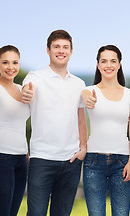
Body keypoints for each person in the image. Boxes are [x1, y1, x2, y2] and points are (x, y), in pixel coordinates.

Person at [21, 30, 87, 216]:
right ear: (48, 50)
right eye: (56, 47)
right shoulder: (35, 77)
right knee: (36, 213)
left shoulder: (79, 84)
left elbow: (81, 118)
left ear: (71, 51)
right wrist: (27, 92)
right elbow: (28, 89)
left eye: (65, 47)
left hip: (71, 161)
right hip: (42, 159)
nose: (61, 51)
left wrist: (83, 148)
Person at [82, 45, 130, 216]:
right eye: (104, 61)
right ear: (98, 65)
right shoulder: (89, 91)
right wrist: (86, 98)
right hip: (93, 161)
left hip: (122, 162)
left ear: (119, 64)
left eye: (113, 61)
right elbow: (84, 97)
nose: (109, 65)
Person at [0, 45, 30, 216]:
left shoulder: (21, 89)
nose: (10, 67)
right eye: (5, 62)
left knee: (13, 212)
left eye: (15, 62)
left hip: (22, 159)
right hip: (0, 157)